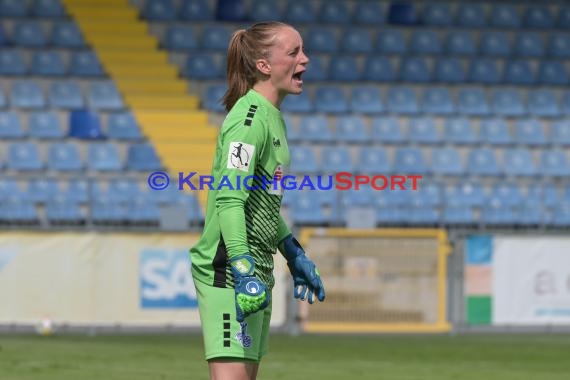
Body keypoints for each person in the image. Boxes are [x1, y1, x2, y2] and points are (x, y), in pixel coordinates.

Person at [189, 21, 326, 380]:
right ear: (264, 65)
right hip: (230, 271)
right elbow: (230, 201)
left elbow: (262, 203)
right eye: (294, 52)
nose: (305, 60)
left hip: (253, 269)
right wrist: (242, 268)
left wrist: (292, 251)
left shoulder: (272, 118)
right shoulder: (248, 121)